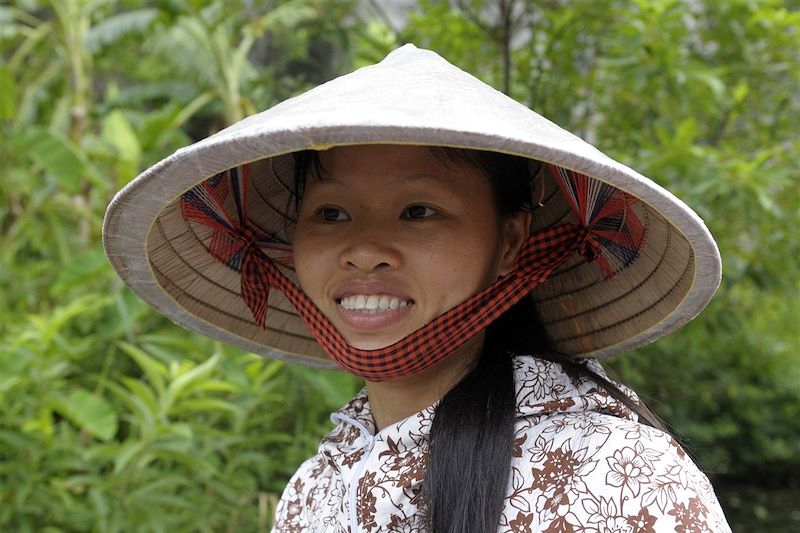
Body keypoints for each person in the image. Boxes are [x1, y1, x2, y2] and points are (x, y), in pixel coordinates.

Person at [103, 45, 731, 532]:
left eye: (419, 211)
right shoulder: (313, 488)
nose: (364, 250)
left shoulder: (620, 472)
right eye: (330, 213)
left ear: (510, 242)